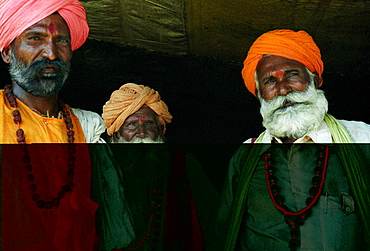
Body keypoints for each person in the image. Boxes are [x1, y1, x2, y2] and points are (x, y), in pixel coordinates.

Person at [217, 29, 370, 251]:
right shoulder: (247, 156)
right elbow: (225, 232)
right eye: (270, 81)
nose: (283, 89)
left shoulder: (361, 138)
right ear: (260, 95)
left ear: (314, 80)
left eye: (292, 75)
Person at [0, 1, 134, 250]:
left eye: (61, 41)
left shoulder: (88, 126)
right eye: (35, 38)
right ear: (7, 52)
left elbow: (111, 220)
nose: (51, 53)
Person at [102, 83, 219, 250]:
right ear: (116, 133)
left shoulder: (183, 163)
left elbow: (212, 221)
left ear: (161, 130)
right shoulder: (101, 167)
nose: (141, 133)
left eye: (149, 124)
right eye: (132, 125)